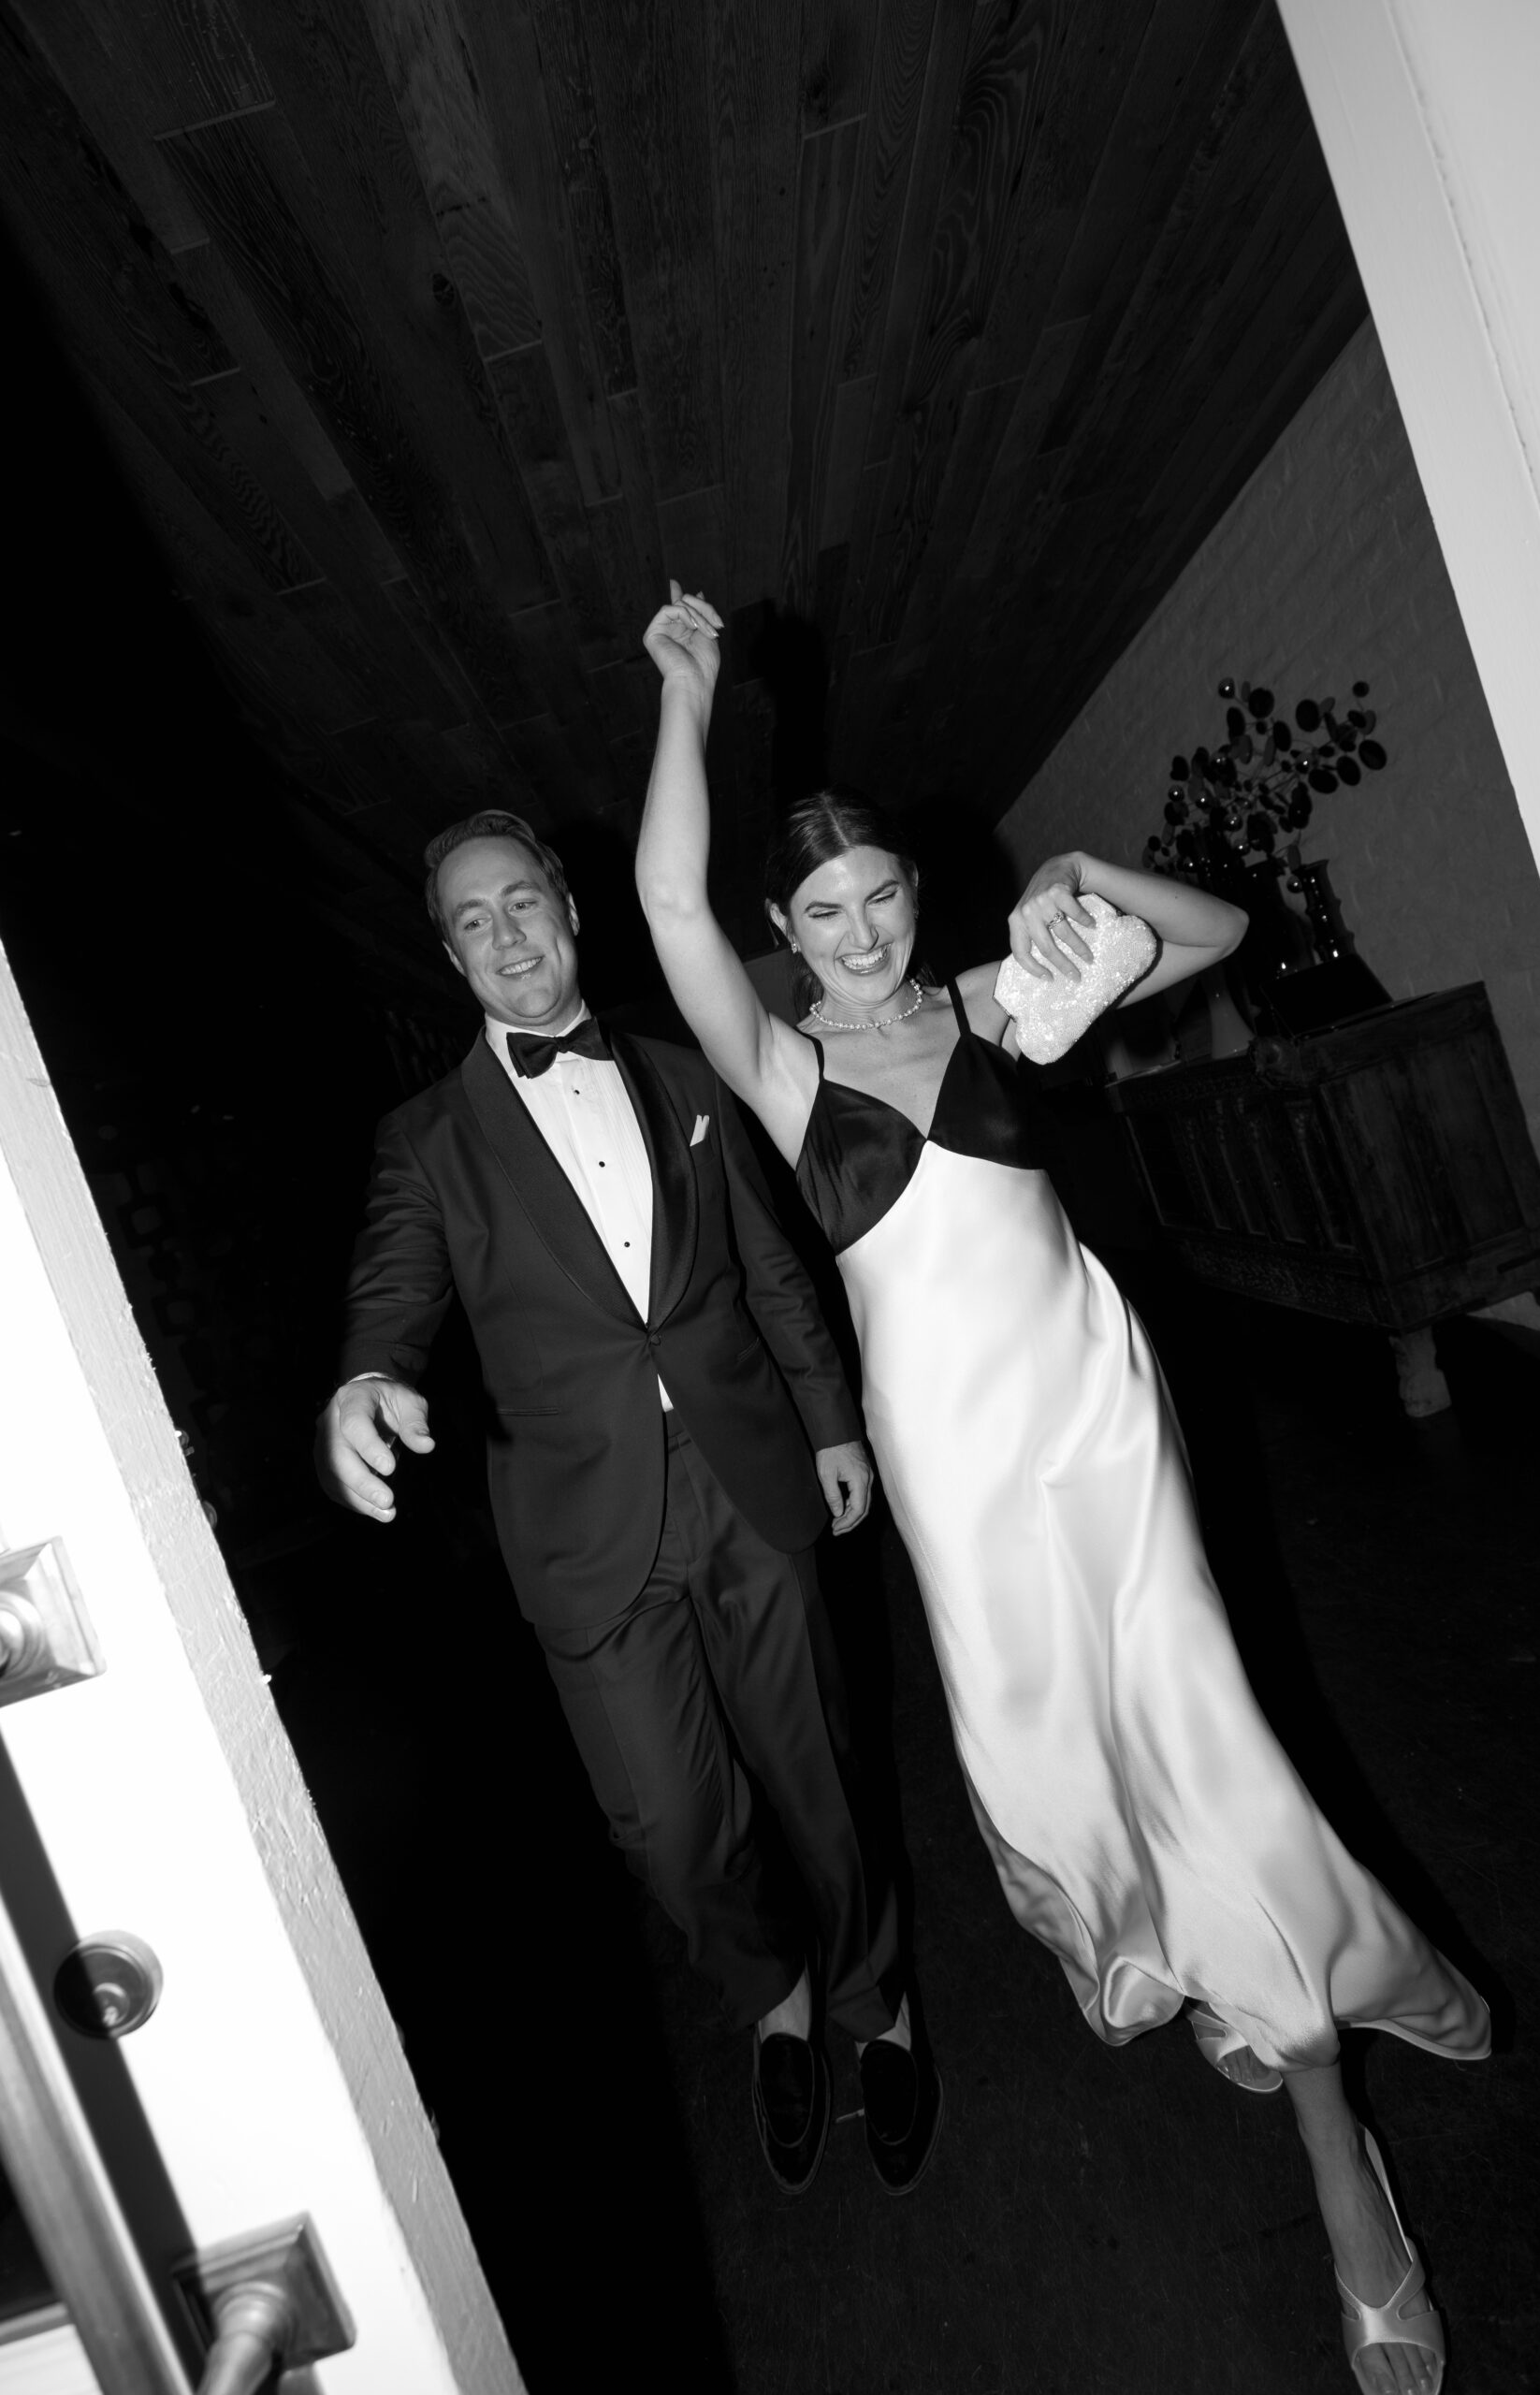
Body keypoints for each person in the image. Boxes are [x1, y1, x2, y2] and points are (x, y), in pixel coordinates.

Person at [633, 586, 1489, 2393]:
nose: (860, 938)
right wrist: (686, 699)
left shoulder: (1008, 1006)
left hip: (1102, 1431)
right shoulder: (785, 1075)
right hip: (958, 1487)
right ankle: (1204, 1956)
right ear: (783, 935)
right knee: (1058, 1760)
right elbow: (659, 907)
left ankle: (1345, 2170)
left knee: (1208, 1737)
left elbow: (1221, 930)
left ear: (912, 903)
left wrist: (1092, 865)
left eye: (880, 901)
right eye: (822, 915)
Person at [315, 809, 943, 2197]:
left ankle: (870, 2004)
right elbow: (392, 1289)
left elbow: (772, 1270)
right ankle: (773, 1996)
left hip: (750, 1478)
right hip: (581, 1529)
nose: (506, 936)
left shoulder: (677, 1070)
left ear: (570, 911)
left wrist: (832, 1423)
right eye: (472, 921)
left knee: (821, 1773)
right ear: (450, 953)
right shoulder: (426, 1141)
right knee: (667, 1822)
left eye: (522, 902)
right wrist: (364, 1378)